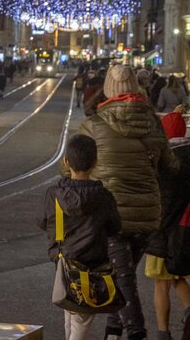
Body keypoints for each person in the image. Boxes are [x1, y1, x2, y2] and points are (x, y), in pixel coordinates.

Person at [78, 65, 177, 340]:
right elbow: (170, 165)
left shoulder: (94, 124)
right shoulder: (153, 121)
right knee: (123, 272)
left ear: (108, 88)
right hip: (148, 215)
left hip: (112, 215)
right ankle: (113, 330)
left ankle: (136, 330)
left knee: (120, 278)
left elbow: (72, 167)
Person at [39, 134, 121, 340]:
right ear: (95, 162)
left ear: (66, 161)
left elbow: (42, 221)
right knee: (80, 321)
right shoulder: (104, 197)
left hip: (63, 261)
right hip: (92, 266)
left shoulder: (54, 194)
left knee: (71, 313)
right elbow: (114, 227)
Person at [147, 107, 190, 340]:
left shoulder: (163, 161)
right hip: (183, 232)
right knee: (178, 277)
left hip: (162, 232)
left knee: (161, 284)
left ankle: (163, 332)